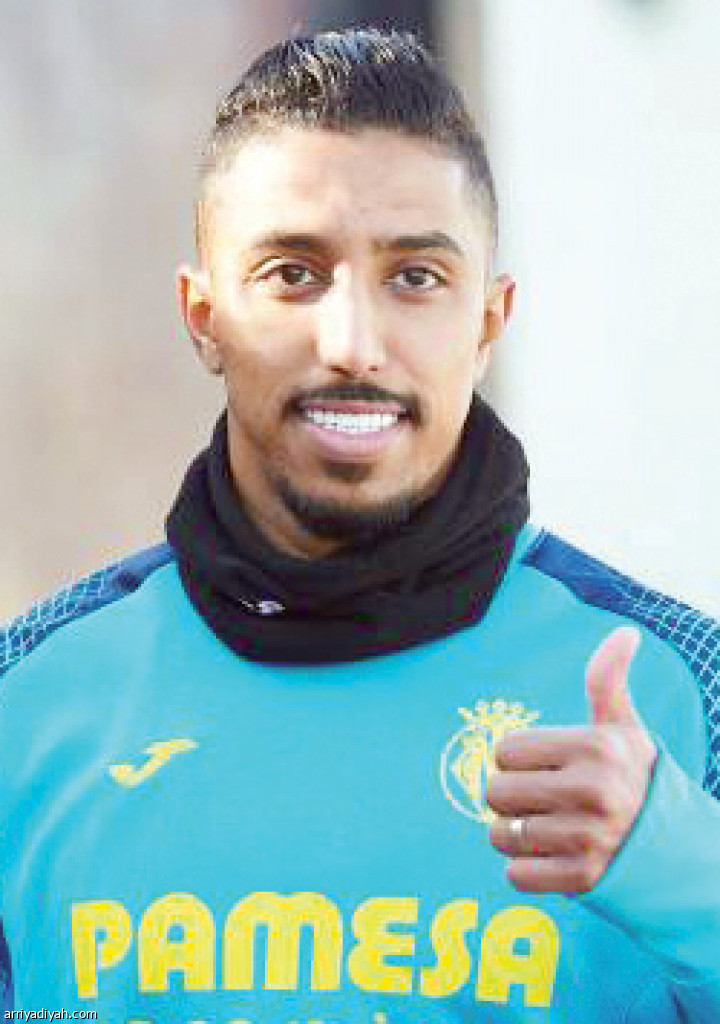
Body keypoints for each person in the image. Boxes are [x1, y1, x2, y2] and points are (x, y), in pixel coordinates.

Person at [0, 26, 718, 1023]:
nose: (353, 343)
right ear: (203, 316)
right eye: (293, 273)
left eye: (415, 277)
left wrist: (690, 880)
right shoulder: (27, 694)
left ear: (488, 321)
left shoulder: (689, 691)